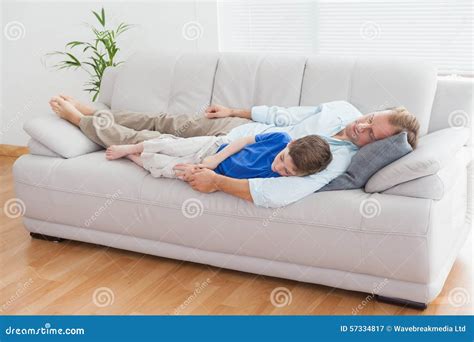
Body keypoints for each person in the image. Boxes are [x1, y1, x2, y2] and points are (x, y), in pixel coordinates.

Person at [49, 95, 420, 208]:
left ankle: (85, 123)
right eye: (371, 118)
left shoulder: (335, 160)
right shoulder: (344, 110)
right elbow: (286, 114)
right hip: (240, 131)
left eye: (372, 133)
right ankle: (97, 114)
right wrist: (234, 112)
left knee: (147, 137)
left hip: (229, 149)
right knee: (163, 120)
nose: (362, 126)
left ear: (381, 143)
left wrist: (216, 182)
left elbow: (276, 193)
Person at [104, 133, 333, 181]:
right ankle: (131, 148)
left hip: (210, 169)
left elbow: (236, 184)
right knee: (170, 146)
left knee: (167, 168)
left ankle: (135, 158)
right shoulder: (280, 139)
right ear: (290, 145)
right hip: (213, 148)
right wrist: (214, 159)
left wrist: (206, 171)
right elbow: (242, 141)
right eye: (283, 159)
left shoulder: (277, 180)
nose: (278, 167)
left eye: (287, 171)